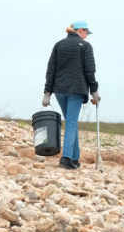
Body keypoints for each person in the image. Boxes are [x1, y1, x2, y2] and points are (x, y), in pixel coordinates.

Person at [43, 20, 100, 170]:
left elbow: (51, 70)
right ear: (81, 30)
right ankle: (66, 158)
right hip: (76, 90)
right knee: (72, 123)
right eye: (86, 32)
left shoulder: (59, 45)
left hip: (59, 90)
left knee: (70, 122)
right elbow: (90, 71)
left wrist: (47, 92)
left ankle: (75, 157)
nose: (86, 36)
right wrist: (94, 90)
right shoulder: (85, 46)